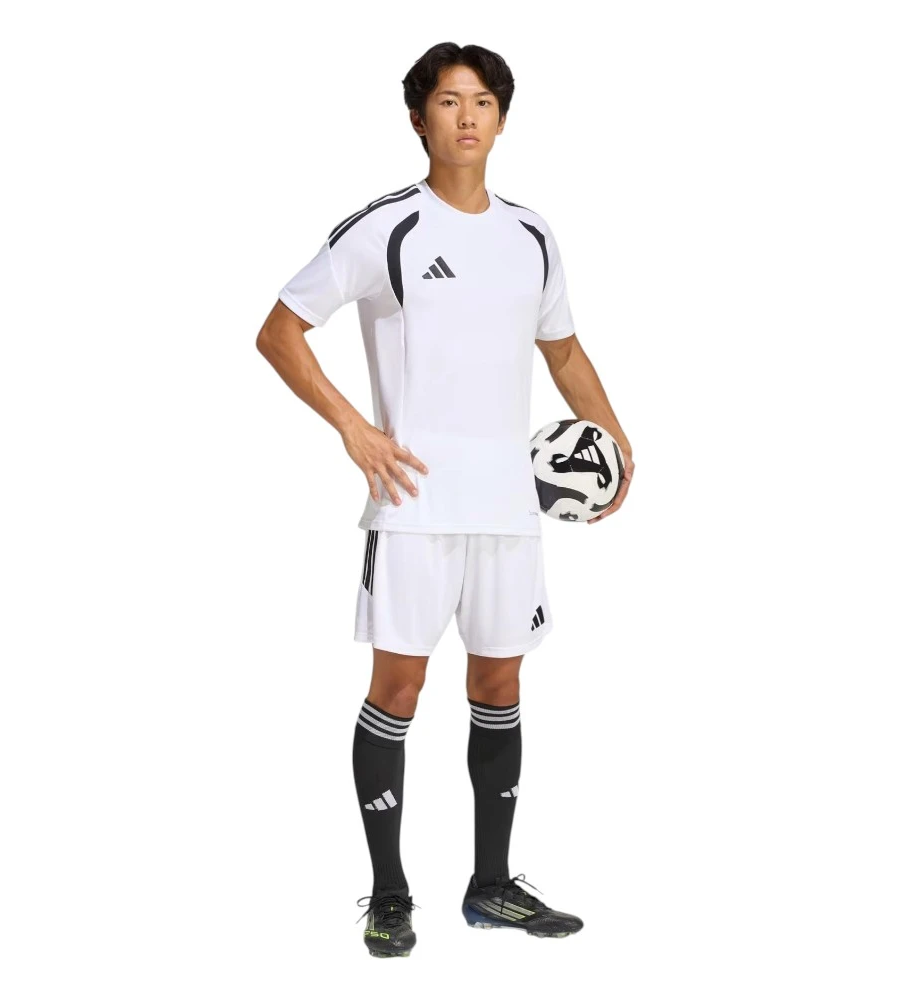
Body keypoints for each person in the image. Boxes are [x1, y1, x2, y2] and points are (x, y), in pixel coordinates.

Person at [256, 41, 634, 957]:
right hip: (414, 504)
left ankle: (491, 886)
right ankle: (390, 895)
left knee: (500, 684)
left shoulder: (532, 235)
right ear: (418, 118)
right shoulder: (386, 228)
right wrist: (353, 428)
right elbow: (280, 331)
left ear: (502, 119)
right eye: (449, 101)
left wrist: (618, 445)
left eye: (483, 102)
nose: (467, 116)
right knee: (399, 687)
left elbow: (563, 352)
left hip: (510, 508)